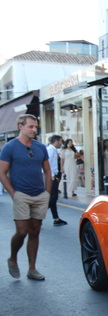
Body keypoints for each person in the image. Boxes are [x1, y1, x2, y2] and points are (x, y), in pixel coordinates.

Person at [0, 114, 51, 281]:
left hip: (39, 194)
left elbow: (48, 171)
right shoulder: (9, 147)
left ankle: (32, 269)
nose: (34, 130)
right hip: (21, 193)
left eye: (36, 127)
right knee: (22, 231)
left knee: (35, 231)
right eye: (31, 127)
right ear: (20, 127)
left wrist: (48, 193)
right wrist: (13, 194)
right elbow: (2, 172)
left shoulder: (40, 147)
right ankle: (13, 258)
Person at [46, 134, 67, 226]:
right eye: (61, 141)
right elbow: (46, 163)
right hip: (50, 177)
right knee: (52, 198)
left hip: (52, 176)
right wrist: (51, 176)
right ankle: (36, 216)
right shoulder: (51, 150)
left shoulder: (53, 150)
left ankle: (56, 218)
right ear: (57, 141)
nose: (61, 143)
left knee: (53, 198)